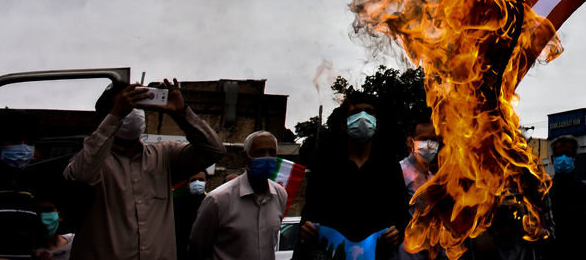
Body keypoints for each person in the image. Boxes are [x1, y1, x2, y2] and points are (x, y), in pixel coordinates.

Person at [64, 80, 225, 260]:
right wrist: (115, 116)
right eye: (127, 106)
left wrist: (182, 113)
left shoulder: (164, 155)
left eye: (137, 105)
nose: (133, 112)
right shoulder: (93, 161)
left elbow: (214, 150)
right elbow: (80, 176)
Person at [298, 92, 409, 259]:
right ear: (344, 124)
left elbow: (401, 213)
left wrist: (397, 231)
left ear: (377, 124)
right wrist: (307, 228)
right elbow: (310, 211)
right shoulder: (325, 164)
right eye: (355, 112)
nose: (363, 116)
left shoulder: (389, 166)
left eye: (369, 111)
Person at [188, 131, 287, 260]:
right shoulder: (218, 199)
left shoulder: (280, 195)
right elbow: (197, 249)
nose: (267, 158)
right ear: (245, 157)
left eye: (272, 152)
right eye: (260, 152)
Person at [0, 109, 43, 258]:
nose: (23, 148)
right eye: (15, 141)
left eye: (28, 142)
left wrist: (37, 253)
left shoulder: (29, 192)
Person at [541, 135, 586, 260]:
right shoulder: (543, 192)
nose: (563, 158)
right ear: (552, 159)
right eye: (559, 154)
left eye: (567, 154)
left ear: (575, 159)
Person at [398, 119, 441, 260]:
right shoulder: (400, 172)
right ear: (411, 142)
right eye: (424, 139)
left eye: (433, 139)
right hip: (405, 252)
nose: (429, 144)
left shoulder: (434, 178)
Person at [174, 171, 207, 260]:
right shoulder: (177, 203)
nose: (197, 182)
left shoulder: (211, 202)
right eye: (193, 180)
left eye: (201, 180)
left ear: (206, 182)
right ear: (188, 184)